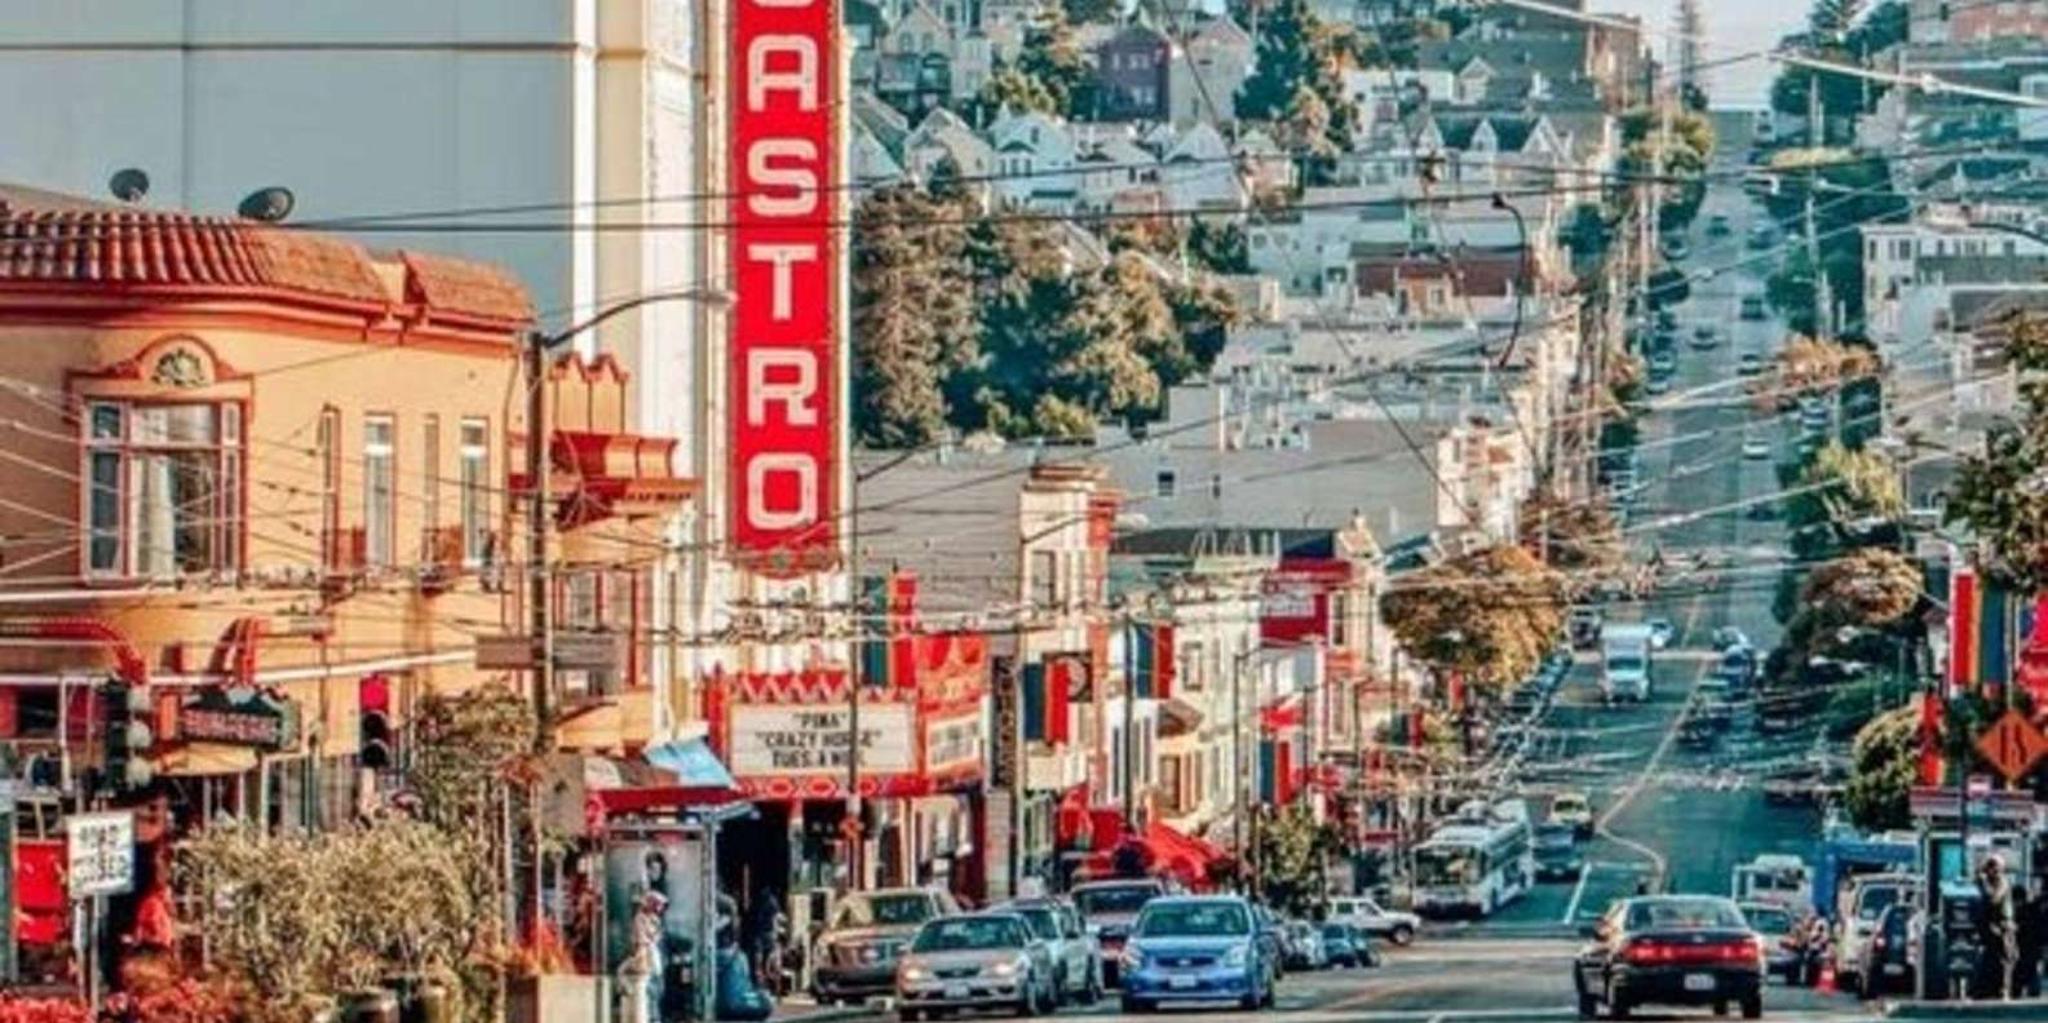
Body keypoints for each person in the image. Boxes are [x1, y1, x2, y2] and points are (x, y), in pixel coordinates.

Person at [618, 891, 667, 1023]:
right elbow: (642, 941)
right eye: (658, 905)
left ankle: (654, 1017)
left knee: (655, 993)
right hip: (645, 958)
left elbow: (656, 938)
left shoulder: (654, 920)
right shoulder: (640, 919)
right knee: (647, 994)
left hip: (653, 960)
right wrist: (641, 956)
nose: (660, 908)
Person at [1976, 855, 2018, 1000]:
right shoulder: (1985, 882)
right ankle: (1987, 988)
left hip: (2002, 924)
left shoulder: (2002, 882)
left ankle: (2003, 989)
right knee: (1990, 957)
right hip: (1989, 924)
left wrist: (1984, 883)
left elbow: (1994, 898)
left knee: (2005, 958)